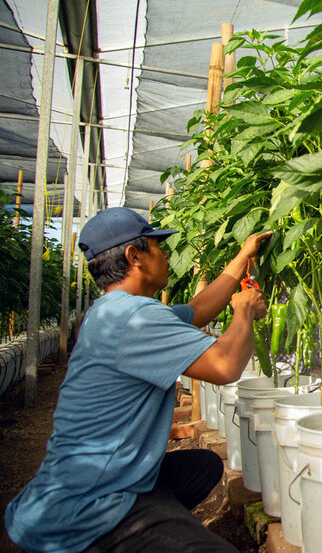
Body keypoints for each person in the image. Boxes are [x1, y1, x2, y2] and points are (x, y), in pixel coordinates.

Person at [5, 207, 271, 552]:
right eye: (157, 245)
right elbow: (225, 366)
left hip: (79, 483)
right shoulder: (135, 319)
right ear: (135, 255)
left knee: (201, 466)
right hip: (85, 509)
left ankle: (155, 519)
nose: (166, 253)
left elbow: (199, 309)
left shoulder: (113, 310)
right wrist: (245, 311)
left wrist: (243, 256)